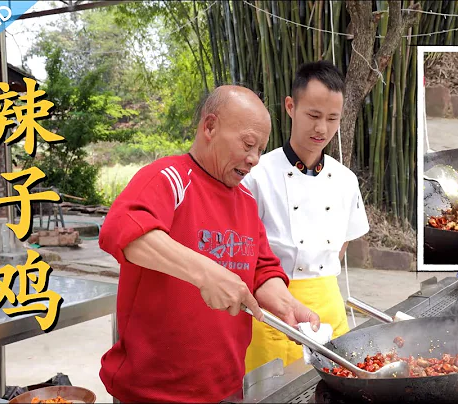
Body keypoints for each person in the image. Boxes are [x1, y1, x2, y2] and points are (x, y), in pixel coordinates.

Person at [97, 85, 320, 403]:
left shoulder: (244, 200)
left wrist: (286, 307)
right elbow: (123, 230)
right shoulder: (168, 178)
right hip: (152, 393)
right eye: (248, 144)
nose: (254, 159)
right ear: (210, 126)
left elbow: (260, 271)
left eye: (260, 149)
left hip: (227, 387)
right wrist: (206, 273)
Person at [242, 61, 370, 372]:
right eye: (313, 115)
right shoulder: (256, 175)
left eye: (331, 119)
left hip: (330, 307)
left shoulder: (345, 180)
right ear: (290, 106)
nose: (321, 129)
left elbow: (342, 245)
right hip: (273, 311)